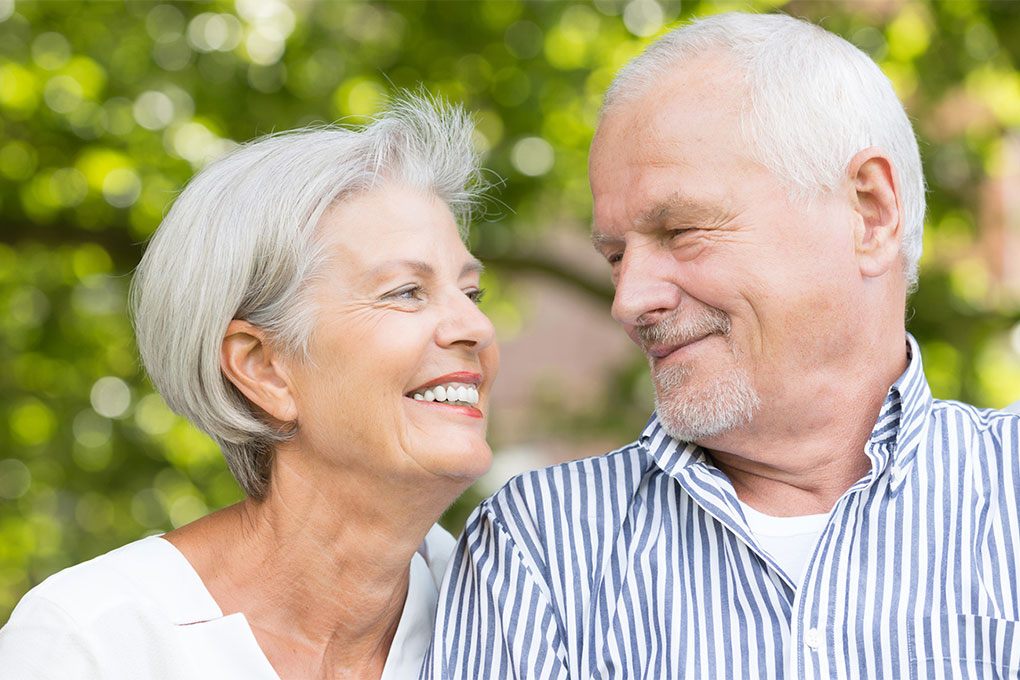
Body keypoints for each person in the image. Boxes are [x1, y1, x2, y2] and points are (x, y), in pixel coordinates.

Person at [422, 12, 1020, 680]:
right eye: (617, 256)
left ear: (870, 212)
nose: (629, 299)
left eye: (681, 230)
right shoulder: (540, 548)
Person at [0, 94, 499, 679]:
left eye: (470, 293)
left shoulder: (515, 606)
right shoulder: (93, 642)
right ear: (264, 367)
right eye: (405, 292)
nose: (477, 327)